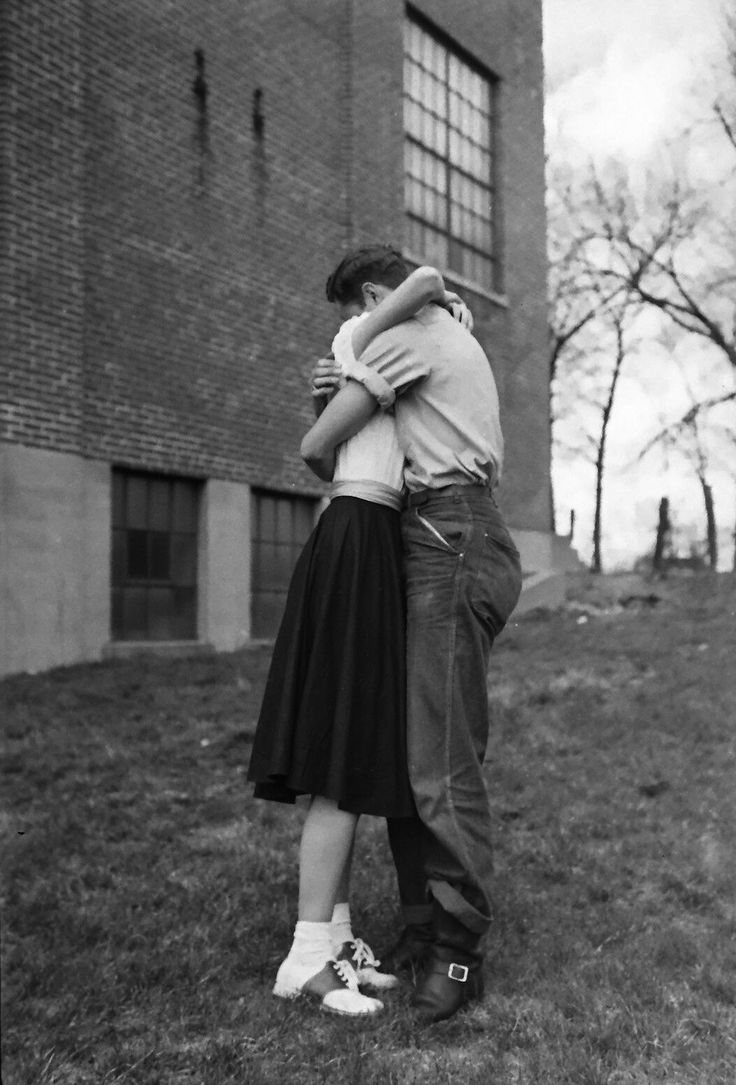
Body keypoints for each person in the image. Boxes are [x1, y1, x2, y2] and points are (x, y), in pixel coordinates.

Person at [247, 254, 471, 1017]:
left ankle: (334, 940)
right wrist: (427, 298)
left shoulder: (387, 356)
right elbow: (317, 446)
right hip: (359, 529)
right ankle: (308, 955)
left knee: (350, 741)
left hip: (374, 532)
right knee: (339, 750)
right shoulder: (365, 336)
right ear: (379, 298)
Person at [305, 244, 523, 1023]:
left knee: (439, 763)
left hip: (451, 537)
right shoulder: (442, 326)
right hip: (438, 535)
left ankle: (458, 951)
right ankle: (423, 927)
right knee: (412, 757)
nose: (351, 330)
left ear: (371, 295)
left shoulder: (401, 331)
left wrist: (342, 362)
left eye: (353, 313)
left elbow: (321, 447)